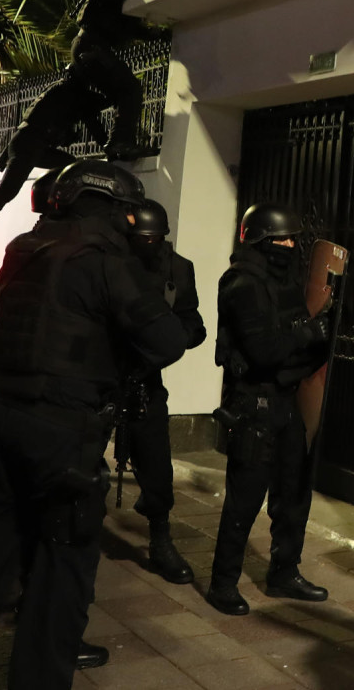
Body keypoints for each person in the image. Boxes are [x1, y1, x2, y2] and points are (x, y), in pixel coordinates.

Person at [0, 159, 188, 690]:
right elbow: (167, 343)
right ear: (115, 209)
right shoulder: (105, 261)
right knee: (61, 572)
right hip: (64, 431)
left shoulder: (25, 250)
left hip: (3, 421)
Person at [205, 203, 332, 616]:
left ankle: (284, 572)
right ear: (260, 240)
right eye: (282, 240)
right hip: (254, 403)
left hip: (285, 399)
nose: (291, 246)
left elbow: (296, 343)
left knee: (293, 493)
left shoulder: (284, 283)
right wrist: (303, 334)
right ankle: (223, 583)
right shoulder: (241, 284)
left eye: (294, 239)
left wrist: (315, 335)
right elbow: (263, 351)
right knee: (244, 500)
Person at [0, 0, 164, 229]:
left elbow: (90, 118)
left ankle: (54, 217)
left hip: (36, 144)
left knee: (73, 170)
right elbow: (35, 123)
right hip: (31, 144)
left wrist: (108, 148)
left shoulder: (74, 95)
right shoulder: (64, 92)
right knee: (7, 192)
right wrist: (114, 145)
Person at [118, 198, 207, 584]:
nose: (149, 244)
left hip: (146, 377)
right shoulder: (112, 263)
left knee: (156, 464)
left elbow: (192, 321)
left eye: (155, 238)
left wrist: (171, 341)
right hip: (105, 375)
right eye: (142, 237)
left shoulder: (177, 268)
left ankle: (160, 539)